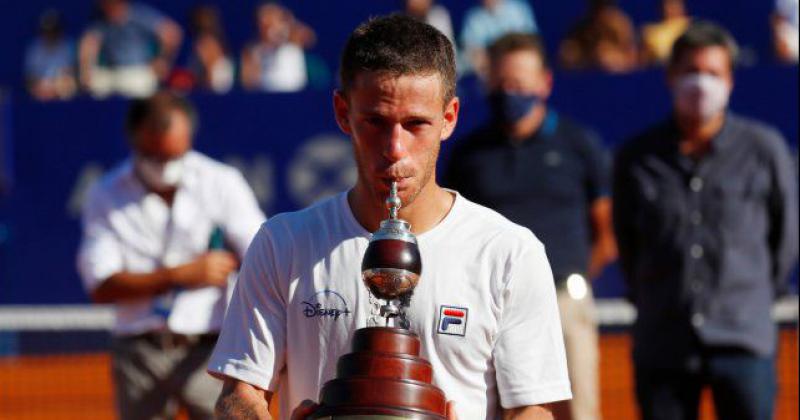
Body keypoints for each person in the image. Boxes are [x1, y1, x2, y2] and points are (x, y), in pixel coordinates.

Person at [209, 14, 571, 420]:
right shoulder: (283, 242)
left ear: (449, 118)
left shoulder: (508, 252)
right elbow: (239, 394)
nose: (395, 148)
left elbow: (533, 410)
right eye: (375, 122)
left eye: (416, 124)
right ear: (343, 113)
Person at [613, 21, 798, 420]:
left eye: (713, 73)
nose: (701, 83)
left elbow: (784, 239)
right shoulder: (639, 156)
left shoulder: (764, 150)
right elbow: (627, 241)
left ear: (730, 80)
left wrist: (753, 294)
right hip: (664, 340)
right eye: (690, 72)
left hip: (743, 339)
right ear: (670, 77)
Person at [445, 33, 617, 420]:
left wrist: (575, 281)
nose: (510, 92)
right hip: (487, 307)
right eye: (502, 83)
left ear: (545, 83)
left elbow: (606, 231)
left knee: (580, 409)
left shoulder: (578, 144)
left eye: (520, 83)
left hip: (564, 301)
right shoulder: (469, 153)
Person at [77, 91, 266, 419]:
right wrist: (182, 275)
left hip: (213, 352)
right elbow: (101, 286)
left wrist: (235, 269)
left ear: (189, 138)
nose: (164, 167)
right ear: (134, 137)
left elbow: (264, 255)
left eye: (174, 156)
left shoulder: (222, 182)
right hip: (138, 353)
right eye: (154, 156)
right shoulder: (104, 194)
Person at [78, 0, 182, 98]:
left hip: (137, 71)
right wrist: (86, 71)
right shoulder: (99, 19)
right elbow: (89, 44)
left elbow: (171, 33)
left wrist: (162, 61)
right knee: (93, 85)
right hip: (110, 72)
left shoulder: (139, 15)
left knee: (138, 86)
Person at [240, 2, 316, 92]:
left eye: (272, 17)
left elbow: (310, 38)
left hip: (296, 95)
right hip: (266, 97)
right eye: (263, 19)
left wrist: (290, 25)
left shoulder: (292, 38)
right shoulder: (252, 50)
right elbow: (248, 82)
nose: (267, 22)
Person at [460, 0, 538, 78]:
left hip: (520, 67)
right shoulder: (473, 18)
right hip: (490, 72)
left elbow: (531, 43)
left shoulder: (518, 9)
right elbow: (473, 54)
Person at [558, 0, 638, 73]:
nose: (602, 12)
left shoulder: (620, 25)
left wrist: (614, 58)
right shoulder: (583, 29)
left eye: (606, 6)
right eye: (598, 7)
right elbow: (567, 57)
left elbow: (631, 56)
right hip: (589, 77)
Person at [24, 9, 77, 101]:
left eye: (53, 30)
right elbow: (29, 78)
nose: (50, 34)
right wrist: (42, 87)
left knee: (69, 85)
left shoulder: (69, 46)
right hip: (40, 93)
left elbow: (72, 73)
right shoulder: (35, 48)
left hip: (63, 91)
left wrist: (55, 87)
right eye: (47, 31)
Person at [639, 0, 690, 66]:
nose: (672, 8)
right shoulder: (650, 33)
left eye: (675, 3)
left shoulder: (692, 27)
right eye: (669, 4)